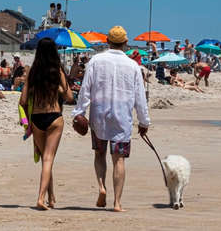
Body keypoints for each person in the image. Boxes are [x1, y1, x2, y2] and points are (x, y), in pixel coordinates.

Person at [72, 26, 150, 212]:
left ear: (107, 41)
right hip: (122, 116)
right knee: (119, 159)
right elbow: (140, 96)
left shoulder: (96, 61)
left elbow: (86, 89)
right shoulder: (133, 65)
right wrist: (144, 121)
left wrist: (79, 111)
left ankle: (101, 187)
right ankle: (117, 203)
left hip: (99, 114)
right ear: (125, 43)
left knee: (99, 153)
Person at [19, 38, 73, 210]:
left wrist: (26, 123)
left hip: (37, 118)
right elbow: (70, 97)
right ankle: (41, 198)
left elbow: (22, 101)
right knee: (49, 159)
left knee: (45, 159)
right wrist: (59, 89)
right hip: (54, 118)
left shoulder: (32, 72)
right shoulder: (57, 71)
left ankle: (51, 197)